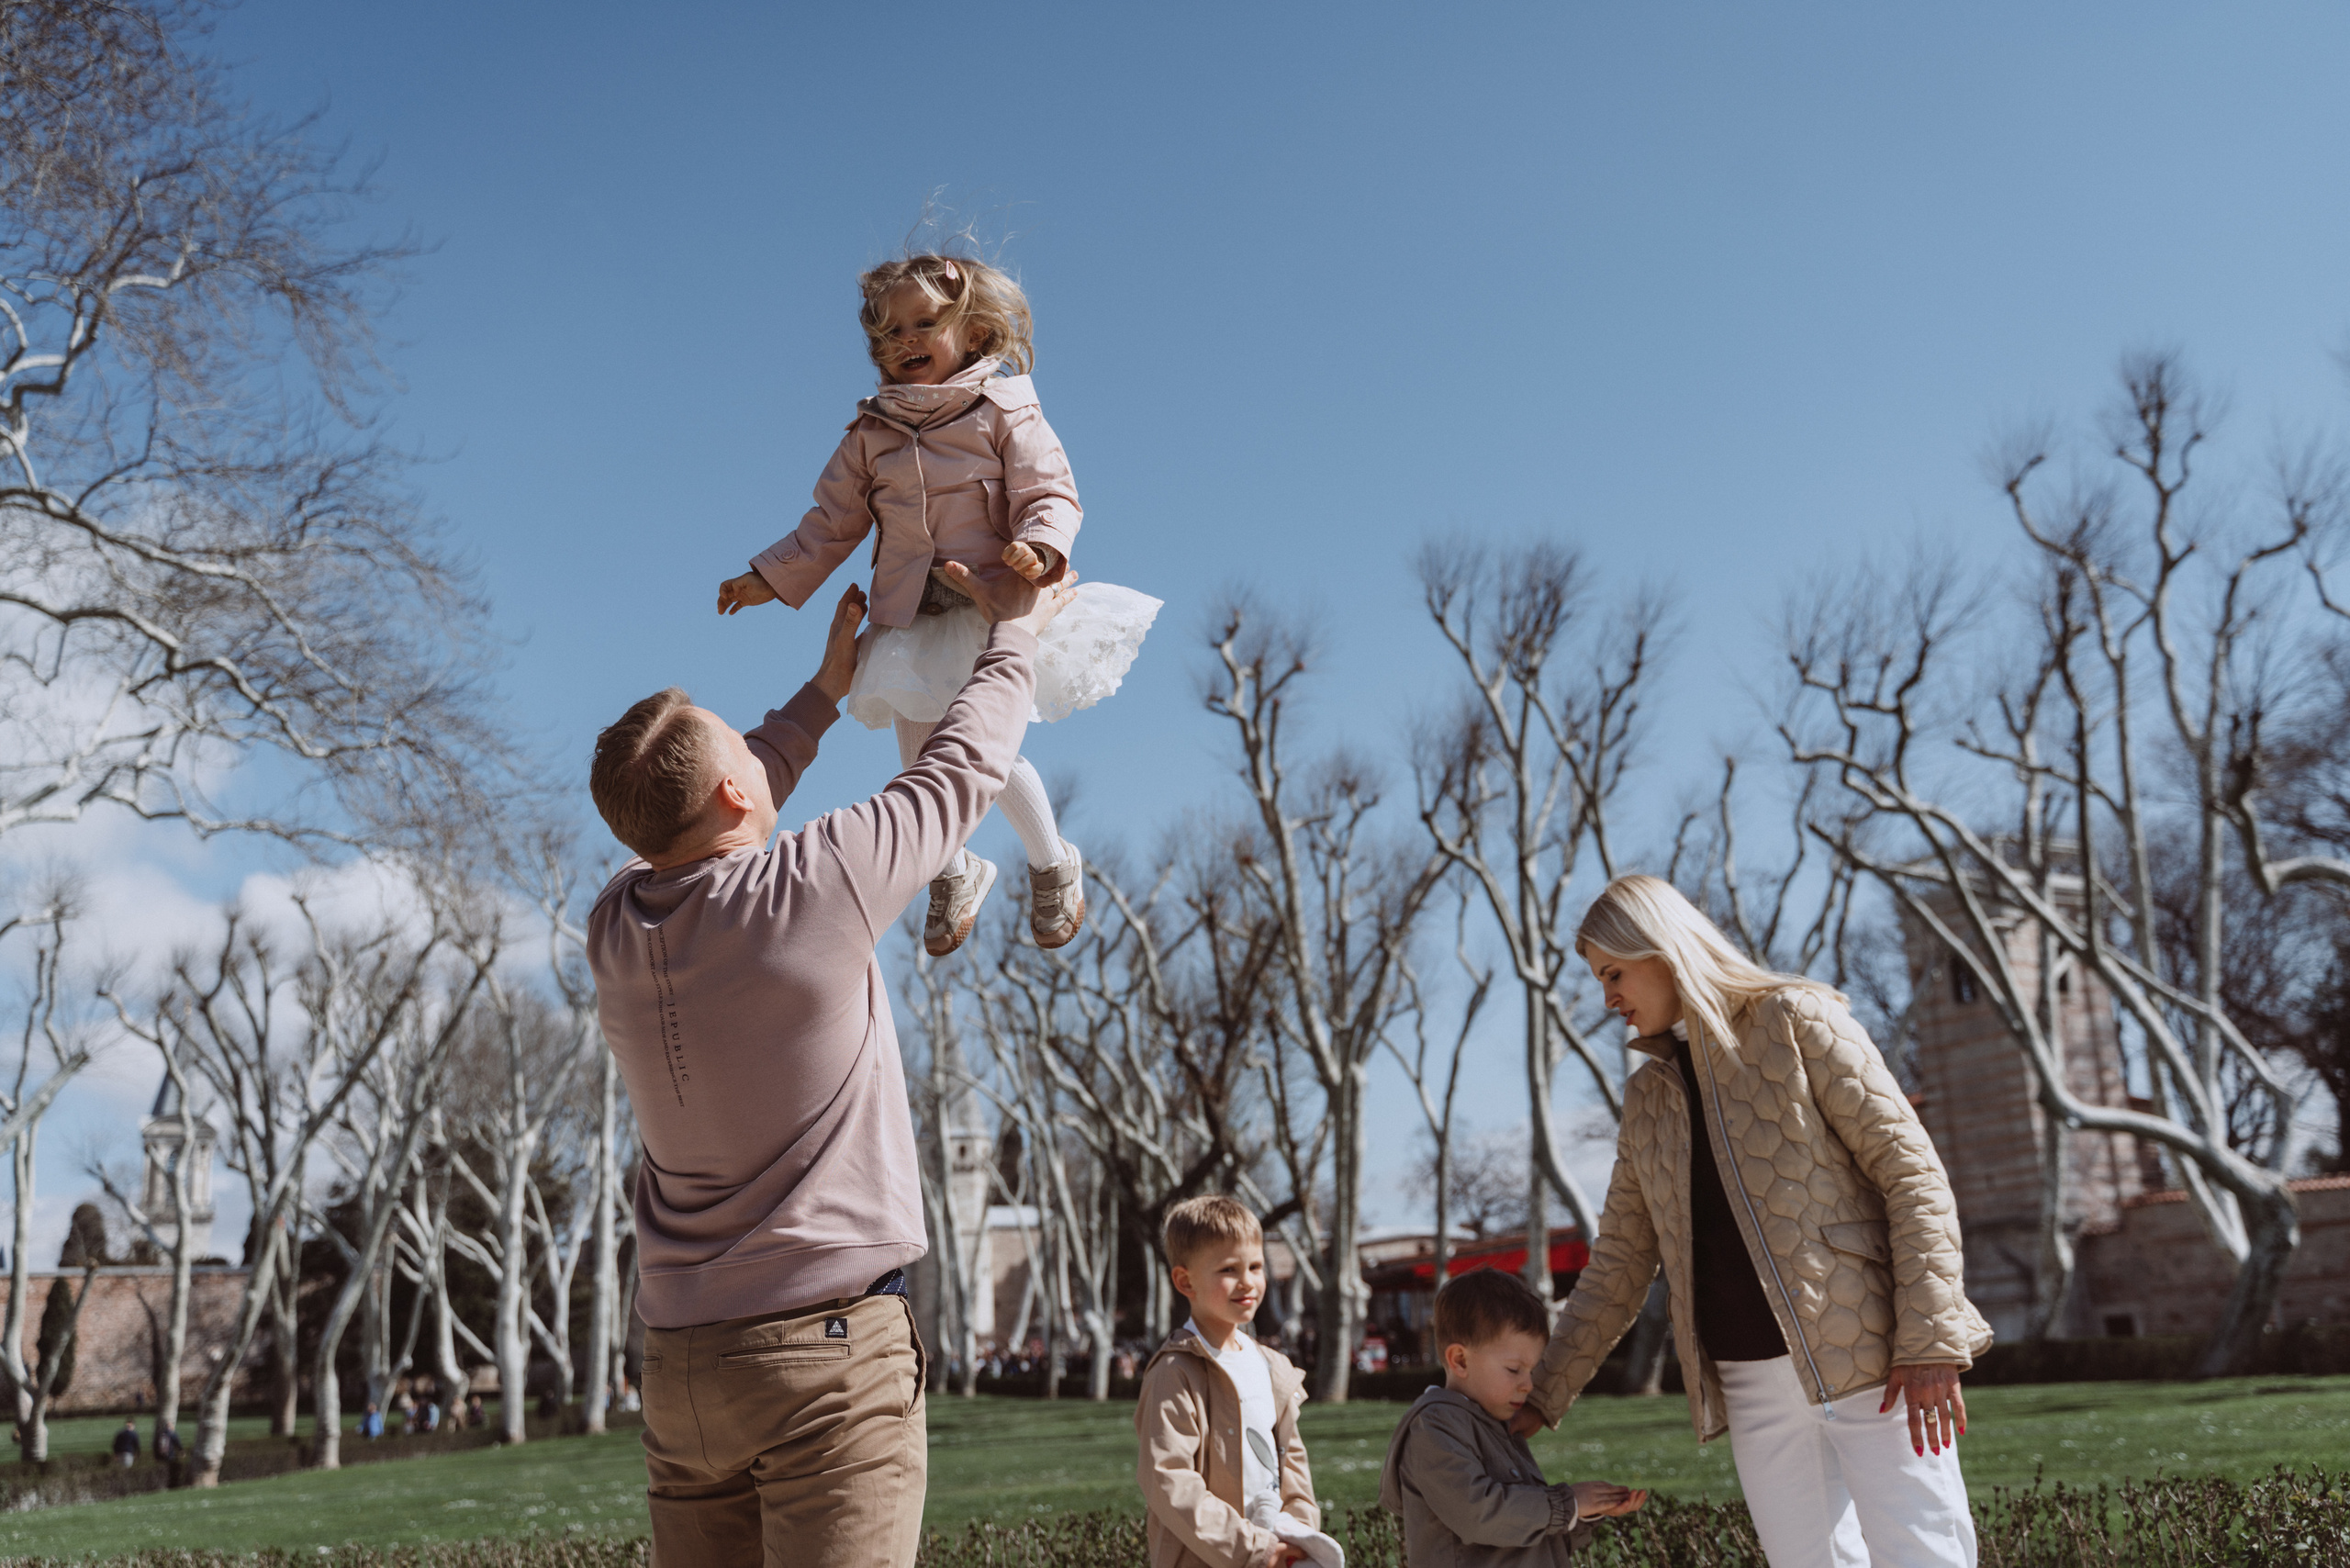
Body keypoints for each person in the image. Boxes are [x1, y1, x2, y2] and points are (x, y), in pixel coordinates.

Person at [588, 561, 1072, 1568]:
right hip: (823, 1355)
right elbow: (955, 775)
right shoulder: (808, 887)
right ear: (733, 787)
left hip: (680, 1367)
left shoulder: (617, 923)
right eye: (739, 749)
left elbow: (701, 803)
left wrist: (823, 692)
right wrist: (1014, 634)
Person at [1513, 875, 1991, 1568]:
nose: (1608, 997)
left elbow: (1912, 1176)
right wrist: (1542, 1396)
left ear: (1662, 948)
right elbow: (1617, 1264)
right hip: (1748, 1385)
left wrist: (1930, 1343)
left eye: (1614, 973)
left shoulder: (1795, 1019)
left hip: (1876, 1361)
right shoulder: (1648, 1098)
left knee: (1928, 1556)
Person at [714, 251, 1159, 958]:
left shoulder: (1005, 411)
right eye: (888, 332)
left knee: (983, 742)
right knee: (918, 755)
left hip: (987, 598)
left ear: (975, 333)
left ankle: (1052, 859)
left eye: (924, 323)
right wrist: (770, 577)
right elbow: (831, 523)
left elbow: (1051, 493)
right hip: (910, 608)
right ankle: (953, 868)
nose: (904, 340)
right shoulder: (871, 435)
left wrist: (1039, 549)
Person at [1380, 1270, 1645, 1565]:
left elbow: (1524, 1534)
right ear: (1460, 1360)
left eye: (1531, 1370)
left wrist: (1586, 1510)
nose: (1528, 1385)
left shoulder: (1497, 1423)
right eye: (1514, 1370)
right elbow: (1478, 1514)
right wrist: (1566, 1505)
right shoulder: (1434, 1427)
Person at [1136, 1195, 1337, 1568]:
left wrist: (1297, 1536)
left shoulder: (1272, 1367)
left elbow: (1292, 1466)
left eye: (1256, 1266)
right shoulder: (1175, 1372)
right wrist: (1253, 1549)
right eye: (1229, 1269)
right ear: (1185, 1281)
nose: (1248, 1282)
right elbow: (1169, 1480)